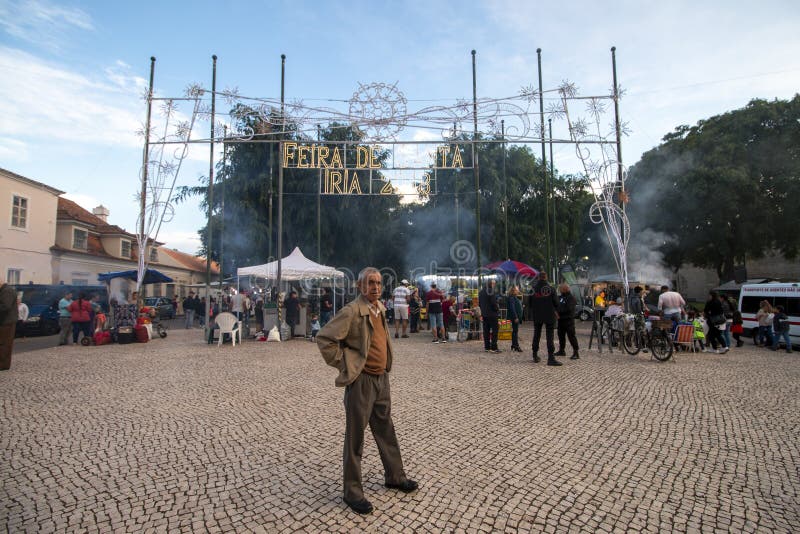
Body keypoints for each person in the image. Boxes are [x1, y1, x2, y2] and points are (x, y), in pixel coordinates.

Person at [316, 267, 417, 515]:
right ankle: (352, 491)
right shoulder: (351, 311)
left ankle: (395, 476)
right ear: (360, 286)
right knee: (355, 437)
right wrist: (346, 364)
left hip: (382, 379)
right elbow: (325, 339)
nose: (376, 287)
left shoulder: (380, 308)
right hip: (361, 382)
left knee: (386, 430)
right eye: (370, 283)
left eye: (379, 283)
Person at [530, 272, 561, 366]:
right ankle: (551, 358)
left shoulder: (533, 289)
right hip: (549, 315)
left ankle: (535, 355)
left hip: (537, 315)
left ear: (538, 278)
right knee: (550, 336)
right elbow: (556, 303)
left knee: (536, 334)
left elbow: (529, 303)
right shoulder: (551, 289)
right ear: (546, 277)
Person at [555, 283, 579, 360]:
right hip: (561, 321)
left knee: (571, 337)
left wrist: (559, 312)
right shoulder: (561, 297)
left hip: (568, 321)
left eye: (560, 289)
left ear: (564, 289)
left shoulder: (571, 298)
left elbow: (568, 309)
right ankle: (562, 350)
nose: (559, 291)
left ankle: (576, 352)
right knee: (561, 336)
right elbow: (557, 305)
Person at [479, 280, 500, 353]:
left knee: (486, 331)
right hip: (492, 314)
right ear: (491, 284)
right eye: (494, 283)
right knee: (495, 330)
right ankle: (494, 347)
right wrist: (497, 309)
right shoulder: (491, 291)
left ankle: (487, 347)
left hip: (484, 314)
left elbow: (480, 303)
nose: (494, 285)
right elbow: (493, 302)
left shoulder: (481, 292)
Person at [0, 283, 18, 370]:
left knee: (4, 344)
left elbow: (5, 307)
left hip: (6, 322)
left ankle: (3, 365)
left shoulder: (7, 291)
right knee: (3, 343)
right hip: (4, 322)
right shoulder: (4, 290)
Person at [507, 286, 523, 352]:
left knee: (515, 331)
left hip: (516, 317)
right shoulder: (512, 298)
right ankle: (516, 345)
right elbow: (512, 308)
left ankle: (514, 345)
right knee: (515, 332)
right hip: (515, 317)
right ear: (513, 291)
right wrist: (516, 317)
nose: (518, 291)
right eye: (517, 290)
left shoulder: (514, 297)